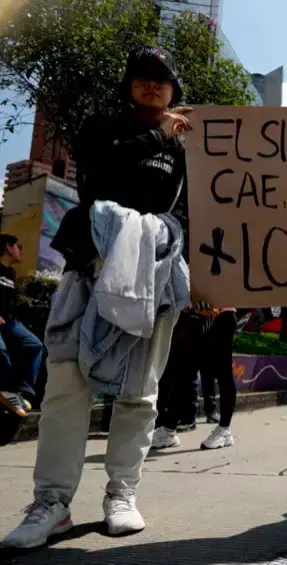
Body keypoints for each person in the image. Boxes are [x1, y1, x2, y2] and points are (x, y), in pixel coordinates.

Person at [3, 45, 193, 549]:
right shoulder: (102, 127)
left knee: (140, 390)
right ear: (130, 83)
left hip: (155, 277)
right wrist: (158, 135)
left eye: (163, 79)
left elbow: (208, 208)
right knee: (65, 382)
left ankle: (122, 493)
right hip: (88, 265)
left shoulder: (190, 143)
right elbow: (99, 176)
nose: (153, 85)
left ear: (175, 88)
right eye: (144, 76)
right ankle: (51, 503)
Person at [152, 306, 238, 450]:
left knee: (223, 373)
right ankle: (168, 430)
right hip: (195, 317)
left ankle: (224, 429)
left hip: (222, 314)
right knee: (184, 374)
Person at [0, 234, 43, 418]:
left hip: (8, 322)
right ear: (8, 248)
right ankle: (5, 391)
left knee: (34, 345)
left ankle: (22, 392)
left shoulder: (11, 273)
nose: (21, 251)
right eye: (19, 246)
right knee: (2, 352)